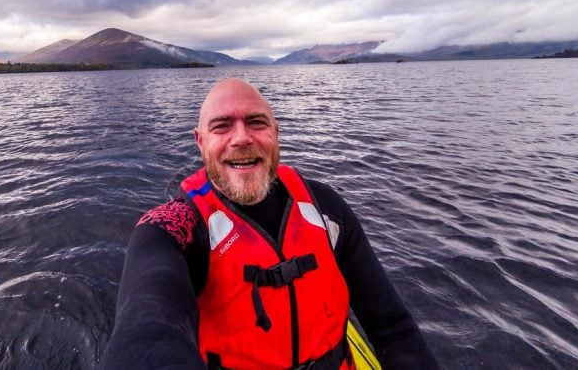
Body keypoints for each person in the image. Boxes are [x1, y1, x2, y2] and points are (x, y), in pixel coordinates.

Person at [106, 78, 439, 369]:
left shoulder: (326, 208)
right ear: (200, 140)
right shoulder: (176, 225)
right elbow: (146, 324)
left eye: (256, 123)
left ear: (276, 133)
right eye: (222, 126)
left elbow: (394, 328)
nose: (242, 138)